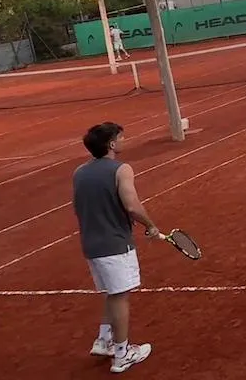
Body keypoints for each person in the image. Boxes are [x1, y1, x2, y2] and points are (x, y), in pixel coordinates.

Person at [72, 122, 156, 373]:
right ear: (111, 144)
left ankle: (104, 340)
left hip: (91, 245)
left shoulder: (79, 172)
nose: (124, 141)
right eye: (121, 137)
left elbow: (79, 207)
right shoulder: (122, 169)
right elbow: (132, 205)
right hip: (115, 244)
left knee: (113, 290)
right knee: (120, 296)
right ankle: (122, 354)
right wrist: (150, 225)